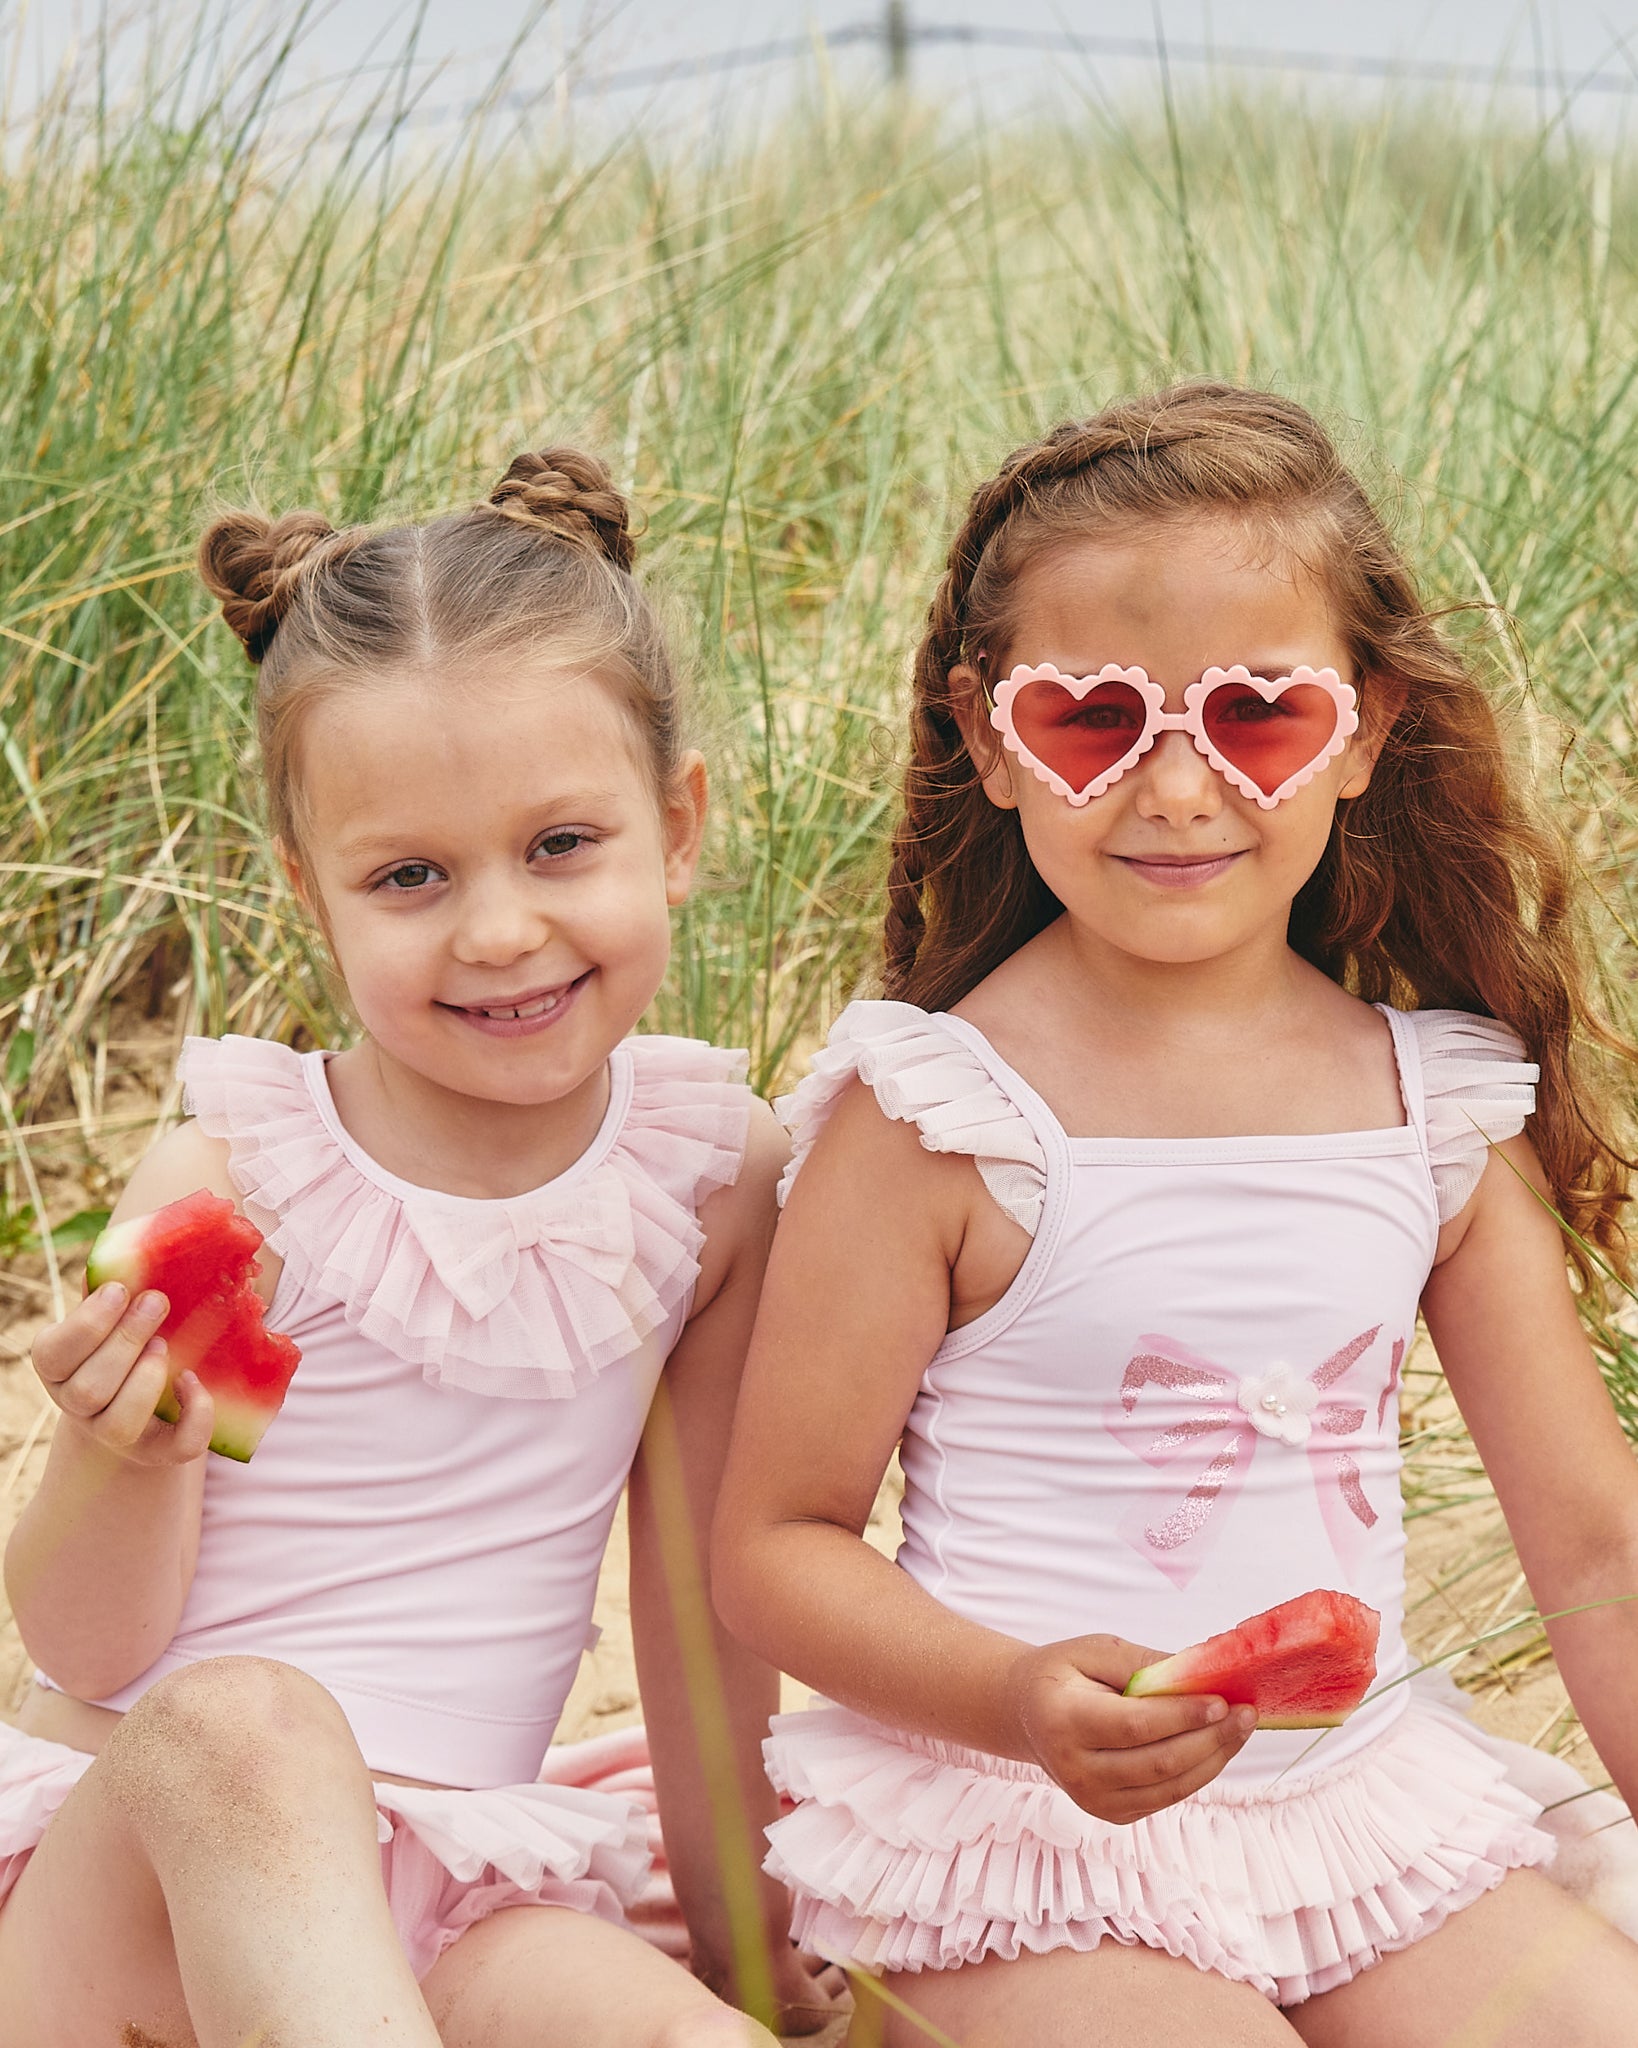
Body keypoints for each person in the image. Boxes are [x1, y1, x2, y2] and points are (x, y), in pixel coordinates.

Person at [713, 383, 1638, 2045]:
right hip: (1015, 1850)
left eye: (1254, 716)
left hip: (1359, 1819)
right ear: (993, 736)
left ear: (1357, 731)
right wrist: (1011, 1698)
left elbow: (1594, 1549)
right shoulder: (936, 1115)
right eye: (1094, 719)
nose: (1177, 786)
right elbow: (772, 1549)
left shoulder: (1435, 1109)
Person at [0, 450, 842, 2048]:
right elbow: (86, 1642)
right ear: (313, 898)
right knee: (244, 1723)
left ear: (676, 826)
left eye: (560, 846)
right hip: (133, 1891)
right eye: (408, 877)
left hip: (454, 1890)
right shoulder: (234, 1179)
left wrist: (744, 1951)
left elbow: (697, 1603)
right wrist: (126, 1455)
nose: (498, 930)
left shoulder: (713, 1180)